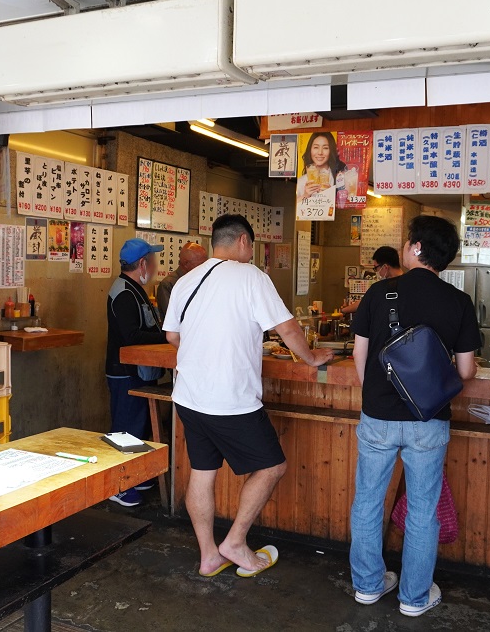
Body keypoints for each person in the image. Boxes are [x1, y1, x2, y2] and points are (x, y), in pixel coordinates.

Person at [163, 214, 332, 578]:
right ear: (243, 241)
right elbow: (286, 328)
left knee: (202, 473)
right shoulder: (252, 277)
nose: (252, 253)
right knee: (272, 466)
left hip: (189, 397)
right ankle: (235, 542)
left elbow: (173, 338)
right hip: (231, 401)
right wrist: (313, 357)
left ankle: (209, 555)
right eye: (252, 246)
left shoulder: (185, 281)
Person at [349, 215, 480, 618]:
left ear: (417, 248)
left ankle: (368, 587)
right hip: (430, 418)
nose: (404, 246)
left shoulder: (379, 292)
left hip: (378, 417)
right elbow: (466, 371)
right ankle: (414, 597)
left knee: (368, 501)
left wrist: (375, 394)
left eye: (407, 241)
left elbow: (360, 354)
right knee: (423, 509)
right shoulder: (458, 301)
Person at [106, 238, 169, 507]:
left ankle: (134, 475)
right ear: (142, 263)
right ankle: (117, 485)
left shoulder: (135, 288)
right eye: (153, 261)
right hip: (124, 371)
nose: (155, 266)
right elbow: (130, 335)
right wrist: (166, 337)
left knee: (139, 427)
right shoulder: (123, 292)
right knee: (125, 429)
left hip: (139, 370)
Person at [341, 246, 403, 315]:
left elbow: (364, 304)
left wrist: (343, 310)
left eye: (376, 268)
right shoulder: (411, 283)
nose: (376, 271)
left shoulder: (381, 287)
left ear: (385, 267)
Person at [156, 242, 207, 321]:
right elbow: (173, 318)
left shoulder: (202, 280)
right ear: (186, 264)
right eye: (201, 264)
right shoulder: (168, 284)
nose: (204, 267)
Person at [296, 132, 346, 200]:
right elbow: (292, 207)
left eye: (325, 148)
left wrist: (330, 195)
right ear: (310, 149)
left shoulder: (339, 177)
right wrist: (306, 195)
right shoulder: (301, 181)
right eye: (316, 147)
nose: (320, 152)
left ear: (331, 150)